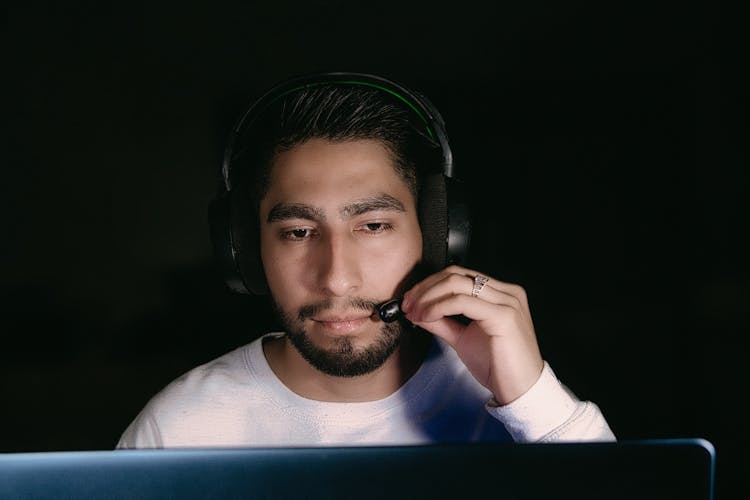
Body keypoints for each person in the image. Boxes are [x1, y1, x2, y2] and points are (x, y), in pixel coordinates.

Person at [117, 73, 615, 448]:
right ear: (245, 251)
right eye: (298, 231)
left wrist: (535, 402)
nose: (336, 278)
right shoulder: (179, 427)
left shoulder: (525, 411)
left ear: (437, 236)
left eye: (373, 226)